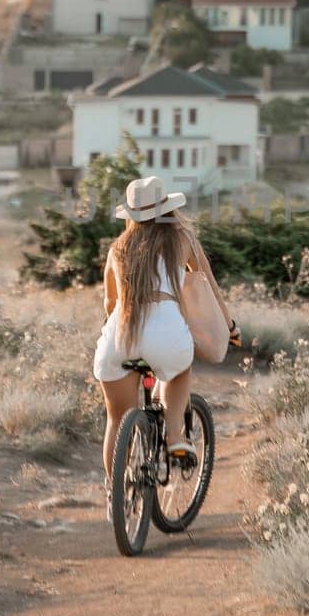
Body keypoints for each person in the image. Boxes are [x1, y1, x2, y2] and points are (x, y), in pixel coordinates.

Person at [93, 176, 236, 516]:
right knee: (178, 368)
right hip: (166, 329)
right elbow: (209, 286)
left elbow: (110, 303)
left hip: (119, 335)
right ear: (167, 208)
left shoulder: (119, 247)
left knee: (117, 419)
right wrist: (229, 327)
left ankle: (117, 493)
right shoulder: (181, 239)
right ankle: (175, 437)